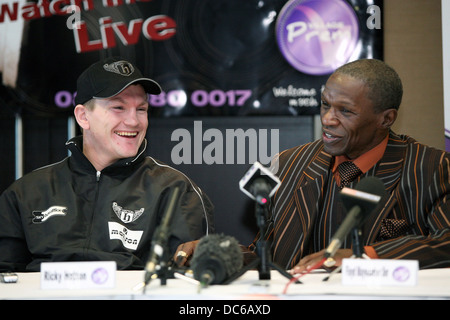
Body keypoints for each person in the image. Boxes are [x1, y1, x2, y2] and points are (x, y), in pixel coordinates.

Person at [175, 59, 450, 272]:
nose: (328, 120)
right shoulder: (288, 165)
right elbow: (265, 255)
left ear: (386, 119)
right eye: (325, 105)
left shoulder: (432, 168)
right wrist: (219, 253)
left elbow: (446, 242)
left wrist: (364, 256)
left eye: (346, 111)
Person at [0, 57, 214, 272]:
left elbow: (190, 281)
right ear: (83, 116)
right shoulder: (26, 192)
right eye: (118, 107)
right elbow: (5, 280)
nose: (133, 121)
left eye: (141, 109)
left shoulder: (175, 190)